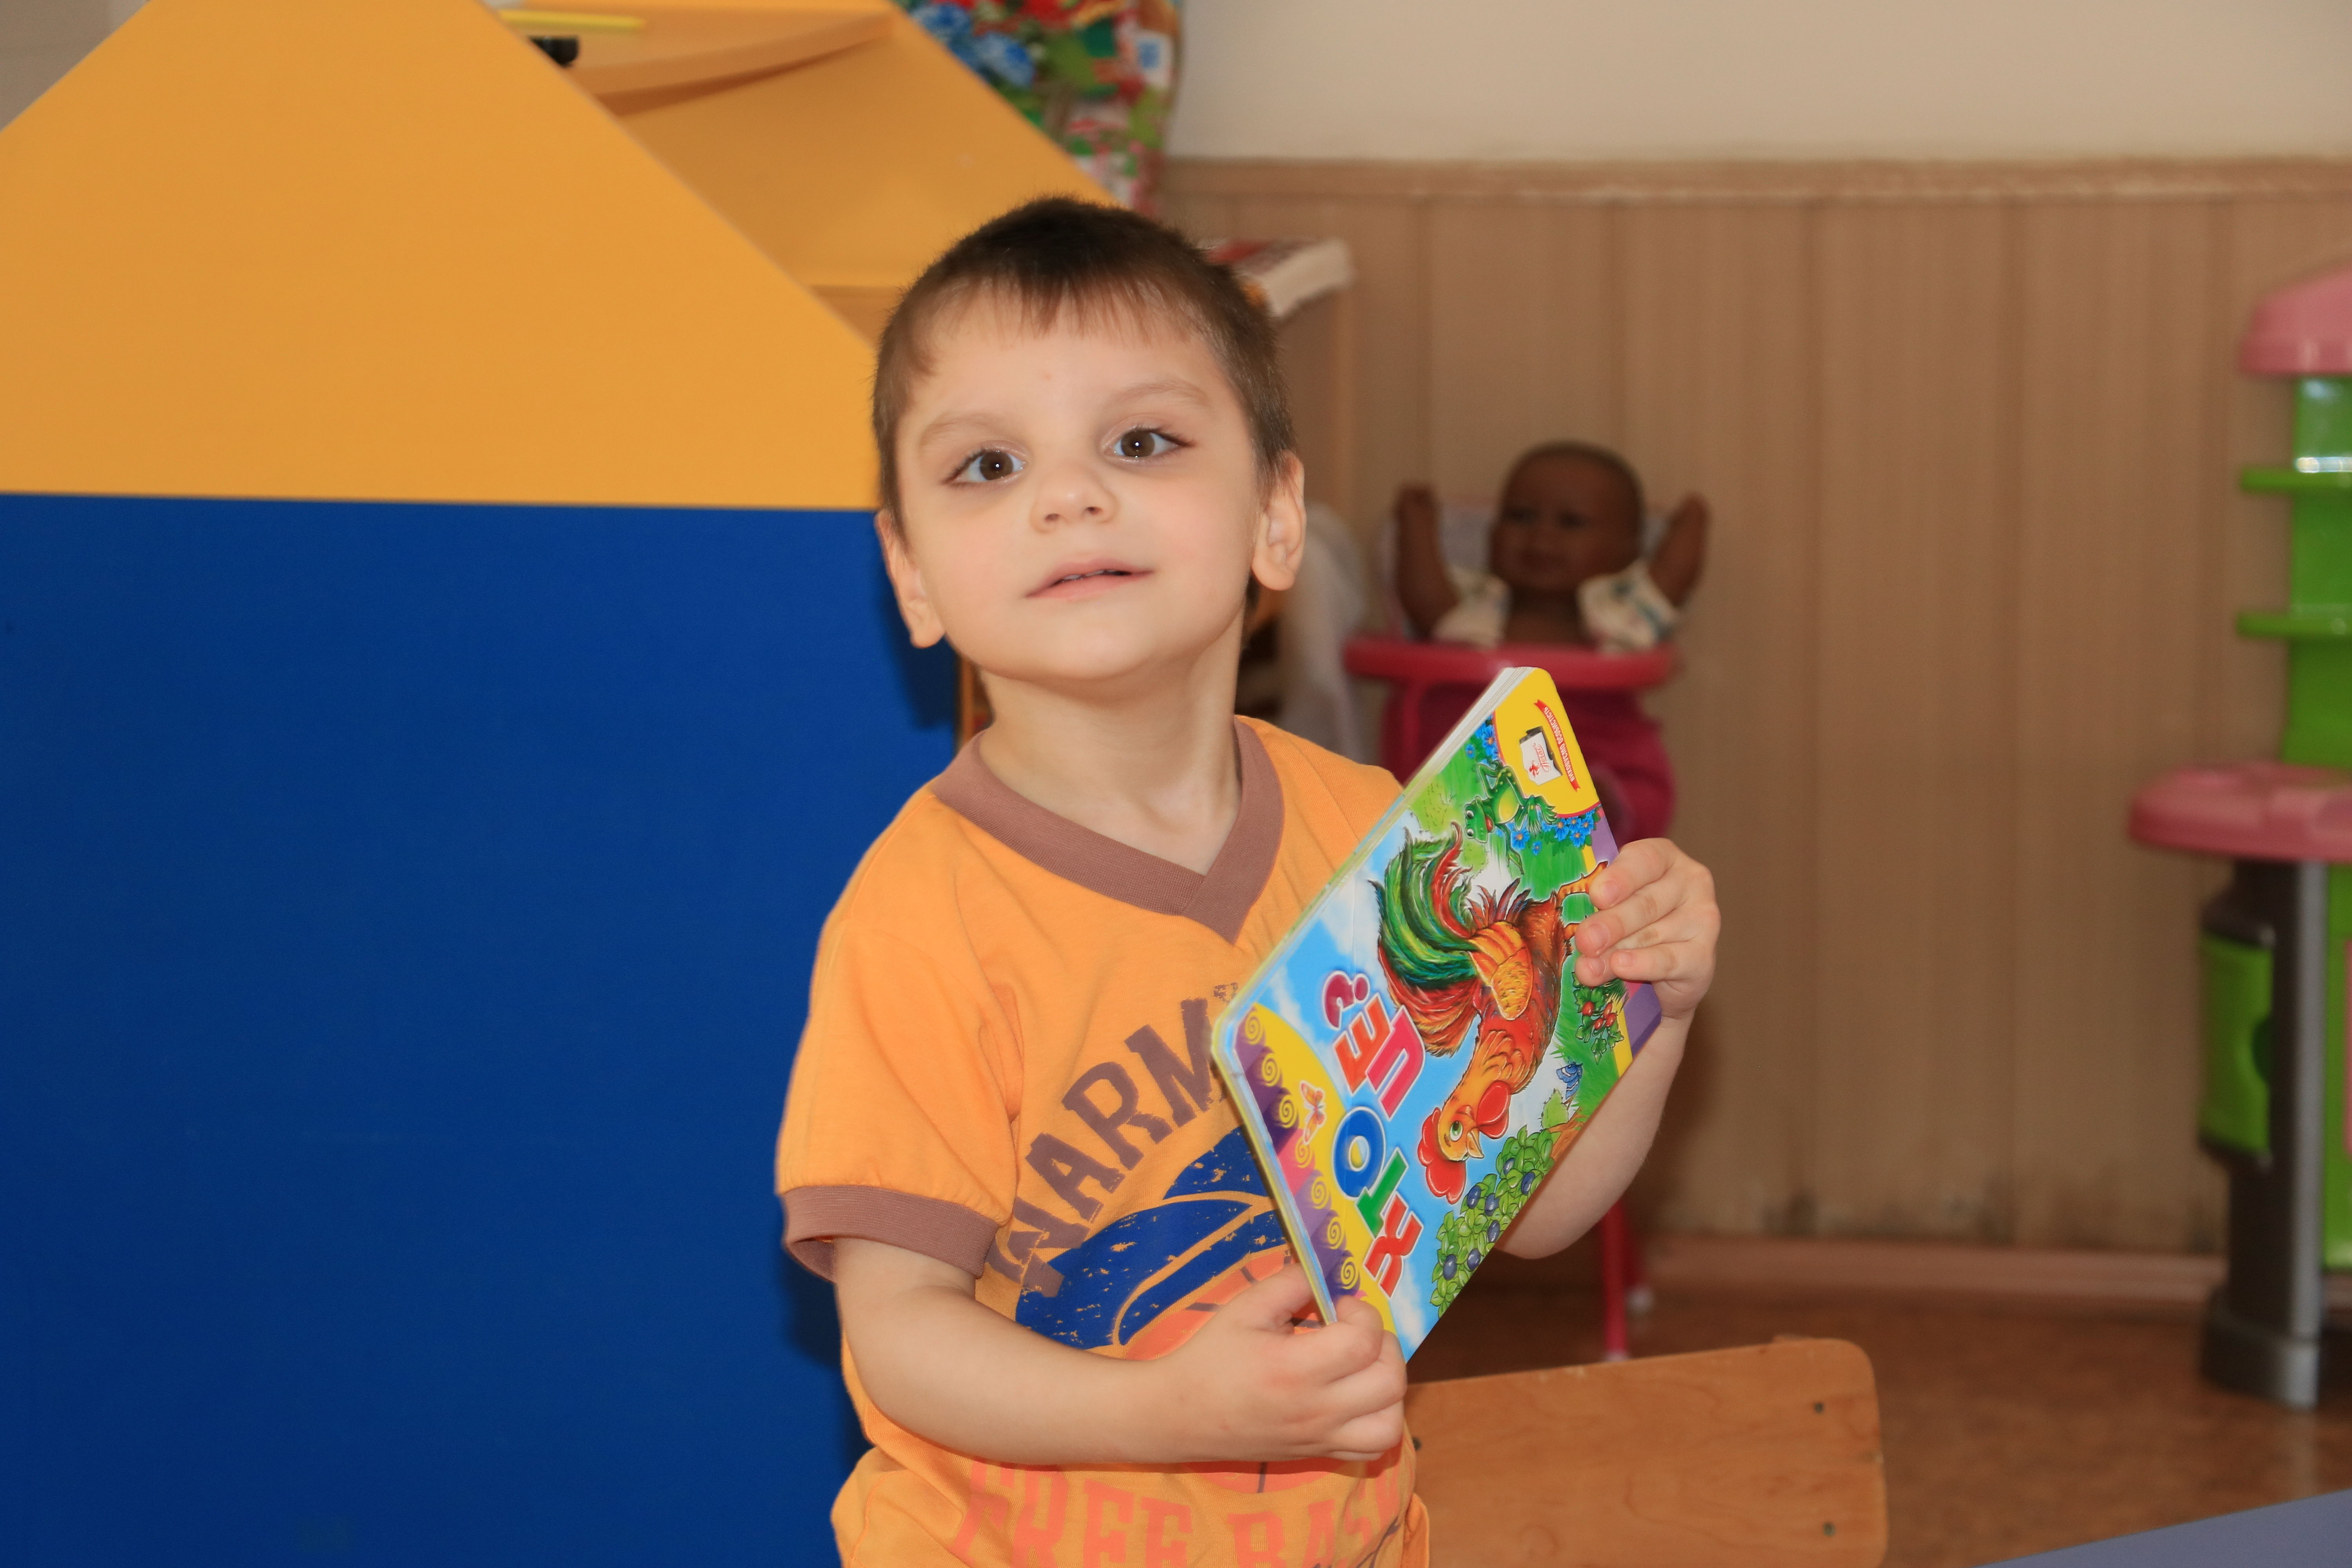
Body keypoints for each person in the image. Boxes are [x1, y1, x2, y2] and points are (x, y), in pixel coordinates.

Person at [774, 198, 1720, 1567]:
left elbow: (1530, 1212)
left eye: (1140, 442)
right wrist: (1156, 1411)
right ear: (912, 575)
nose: (1065, 495)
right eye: (986, 463)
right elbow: (898, 1332)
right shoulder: (921, 916)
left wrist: (1651, 1009)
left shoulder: (1377, 836)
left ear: (1277, 519)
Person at [1390, 446, 1708, 839]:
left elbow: (1671, 581)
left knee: (1640, 775)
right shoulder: (1477, 608)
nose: (1542, 536)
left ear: (1628, 551)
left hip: (1587, 755)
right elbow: (1427, 604)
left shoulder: (1618, 618)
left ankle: (1601, 805)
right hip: (1472, 779)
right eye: (1521, 517)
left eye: (1571, 523)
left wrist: (1692, 522)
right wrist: (1417, 526)